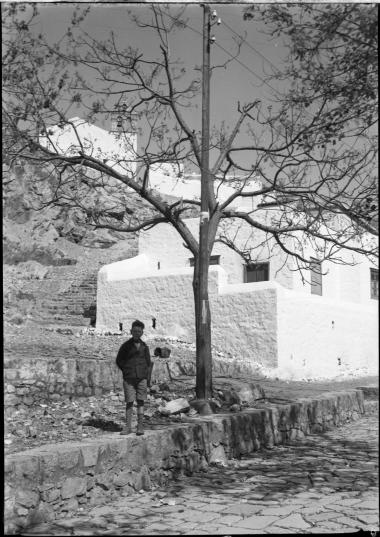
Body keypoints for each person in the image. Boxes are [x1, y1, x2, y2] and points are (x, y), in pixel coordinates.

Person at [116, 320, 153, 436]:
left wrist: (147, 378)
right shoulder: (126, 346)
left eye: (139, 331)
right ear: (131, 331)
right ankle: (128, 426)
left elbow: (148, 363)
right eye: (135, 331)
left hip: (142, 378)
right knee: (129, 401)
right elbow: (119, 360)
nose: (137, 333)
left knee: (141, 401)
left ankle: (140, 426)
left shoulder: (144, 347)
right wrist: (127, 371)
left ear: (142, 332)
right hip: (129, 378)